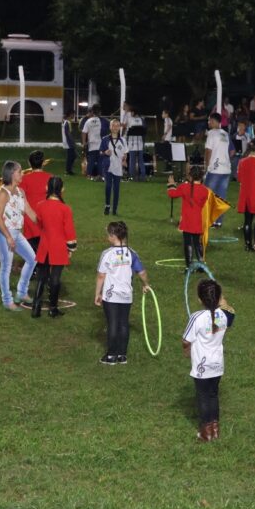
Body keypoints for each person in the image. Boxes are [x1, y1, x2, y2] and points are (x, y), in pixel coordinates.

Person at [183, 278, 235, 442]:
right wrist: (223, 301)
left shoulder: (196, 317)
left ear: (200, 299)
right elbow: (231, 312)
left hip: (201, 366)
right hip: (217, 365)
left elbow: (186, 339)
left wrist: (186, 350)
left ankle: (206, 432)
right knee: (213, 395)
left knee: (203, 397)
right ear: (219, 298)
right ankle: (215, 429)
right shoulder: (225, 316)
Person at [93, 221, 150, 365]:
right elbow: (141, 272)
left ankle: (111, 356)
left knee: (112, 323)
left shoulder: (107, 254)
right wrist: (146, 284)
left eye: (108, 235)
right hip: (126, 295)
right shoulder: (131, 253)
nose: (107, 237)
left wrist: (97, 293)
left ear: (113, 236)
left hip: (111, 295)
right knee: (124, 323)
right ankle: (122, 355)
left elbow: (101, 276)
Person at [0, 161, 39, 311]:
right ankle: (7, 301)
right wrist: (8, 237)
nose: (22, 174)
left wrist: (45, 224)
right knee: (6, 266)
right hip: (3, 233)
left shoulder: (20, 192)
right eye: (19, 172)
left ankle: (22, 292)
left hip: (16, 233)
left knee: (32, 259)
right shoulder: (2, 193)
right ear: (12, 174)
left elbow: (30, 212)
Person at [31, 176, 77, 318]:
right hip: (58, 247)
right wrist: (71, 248)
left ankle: (36, 308)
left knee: (41, 277)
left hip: (44, 245)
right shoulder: (65, 209)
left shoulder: (40, 205)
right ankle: (53, 309)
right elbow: (69, 231)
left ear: (47, 188)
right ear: (62, 189)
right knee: (55, 278)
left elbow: (39, 224)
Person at [167, 166, 210, 269]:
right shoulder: (205, 191)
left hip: (187, 221)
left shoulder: (184, 187)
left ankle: (189, 265)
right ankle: (201, 264)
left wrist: (171, 184)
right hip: (198, 221)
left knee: (187, 243)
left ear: (190, 176)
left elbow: (172, 194)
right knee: (197, 243)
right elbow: (203, 204)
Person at [203, 113, 233, 227]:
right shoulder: (225, 134)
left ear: (214, 121)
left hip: (215, 169)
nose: (208, 122)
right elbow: (230, 151)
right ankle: (218, 221)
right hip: (225, 169)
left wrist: (207, 165)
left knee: (207, 195)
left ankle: (207, 218)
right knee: (220, 197)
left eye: (209, 120)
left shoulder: (211, 134)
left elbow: (208, 151)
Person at [19, 150, 51, 254]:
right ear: (43, 163)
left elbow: (20, 199)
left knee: (32, 250)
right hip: (46, 217)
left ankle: (34, 266)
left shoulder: (24, 179)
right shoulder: (51, 178)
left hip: (30, 218)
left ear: (29, 163)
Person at [101, 119, 128, 215]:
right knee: (108, 186)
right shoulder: (105, 139)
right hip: (108, 166)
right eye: (113, 125)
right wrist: (105, 152)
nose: (115, 127)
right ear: (110, 127)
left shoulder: (123, 140)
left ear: (119, 127)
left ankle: (115, 209)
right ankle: (107, 205)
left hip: (118, 167)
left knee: (116, 188)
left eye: (117, 125)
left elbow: (125, 153)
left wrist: (124, 160)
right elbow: (100, 152)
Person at [125, 104, 146, 181]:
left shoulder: (130, 120)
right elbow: (144, 131)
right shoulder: (141, 120)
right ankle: (142, 176)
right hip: (140, 143)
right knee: (141, 161)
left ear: (133, 112)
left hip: (132, 143)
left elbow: (128, 131)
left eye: (131, 112)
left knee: (132, 161)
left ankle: (132, 176)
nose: (130, 113)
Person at [81, 105, 102, 180]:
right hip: (100, 143)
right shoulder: (101, 121)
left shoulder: (88, 121)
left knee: (91, 161)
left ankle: (89, 175)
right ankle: (100, 175)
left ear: (92, 112)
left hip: (91, 144)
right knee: (100, 160)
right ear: (99, 112)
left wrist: (84, 142)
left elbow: (84, 132)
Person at [62, 110, 78, 175]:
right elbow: (68, 133)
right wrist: (73, 142)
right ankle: (68, 170)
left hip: (66, 142)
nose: (74, 116)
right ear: (70, 114)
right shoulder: (68, 122)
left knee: (72, 156)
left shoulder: (65, 121)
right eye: (73, 114)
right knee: (72, 156)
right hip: (68, 142)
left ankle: (69, 170)